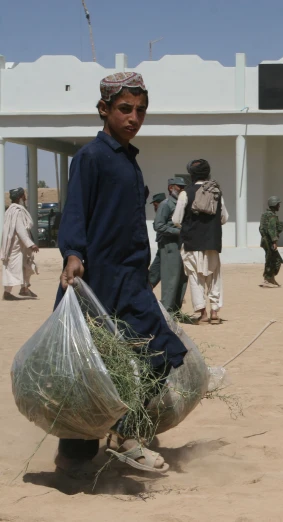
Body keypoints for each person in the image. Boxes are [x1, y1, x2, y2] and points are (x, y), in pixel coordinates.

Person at [56, 72, 187, 477]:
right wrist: (73, 252)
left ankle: (125, 433)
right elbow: (75, 208)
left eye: (141, 110)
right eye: (125, 109)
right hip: (96, 281)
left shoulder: (130, 162)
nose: (134, 117)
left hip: (130, 281)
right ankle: (76, 458)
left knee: (164, 352)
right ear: (104, 110)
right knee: (90, 370)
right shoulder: (91, 158)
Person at [172, 159, 229, 325]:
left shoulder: (185, 193)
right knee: (214, 277)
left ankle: (202, 313)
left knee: (196, 278)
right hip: (212, 243)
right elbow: (224, 218)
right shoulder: (216, 192)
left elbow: (176, 220)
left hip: (191, 243)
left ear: (191, 174)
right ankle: (215, 312)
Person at [154, 178, 188, 312]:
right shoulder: (166, 204)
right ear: (171, 188)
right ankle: (167, 310)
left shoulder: (182, 204)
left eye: (183, 187)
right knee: (170, 278)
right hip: (169, 244)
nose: (182, 189)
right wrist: (178, 232)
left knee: (182, 277)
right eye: (179, 187)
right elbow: (159, 226)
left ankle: (176, 309)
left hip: (182, 244)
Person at [2, 187, 39, 300]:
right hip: (16, 246)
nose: (25, 197)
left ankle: (24, 289)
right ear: (19, 197)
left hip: (20, 246)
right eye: (23, 195)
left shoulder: (10, 210)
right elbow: (20, 229)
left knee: (25, 265)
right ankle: (7, 293)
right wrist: (30, 244)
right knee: (13, 268)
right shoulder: (17, 211)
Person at [260, 196, 283, 287]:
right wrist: (274, 241)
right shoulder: (272, 216)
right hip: (269, 241)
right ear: (274, 205)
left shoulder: (265, 215)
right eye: (278, 204)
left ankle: (270, 279)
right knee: (274, 260)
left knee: (270, 259)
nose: (279, 206)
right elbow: (271, 229)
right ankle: (268, 279)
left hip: (264, 240)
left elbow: (261, 228)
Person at [148, 192, 166, 289]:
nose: (154, 208)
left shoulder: (165, 212)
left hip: (166, 248)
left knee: (155, 271)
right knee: (154, 272)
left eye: (155, 205)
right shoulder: (160, 212)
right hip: (161, 247)